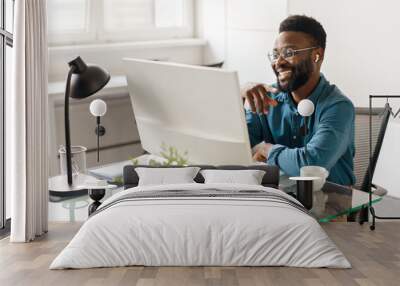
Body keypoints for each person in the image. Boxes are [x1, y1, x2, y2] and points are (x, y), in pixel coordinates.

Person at [244, 15, 355, 185]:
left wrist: (267, 149)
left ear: (316, 55)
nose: (278, 62)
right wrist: (239, 98)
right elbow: (236, 147)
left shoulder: (339, 107)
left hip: (332, 206)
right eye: (275, 54)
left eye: (289, 53)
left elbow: (311, 165)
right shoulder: (266, 100)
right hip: (280, 200)